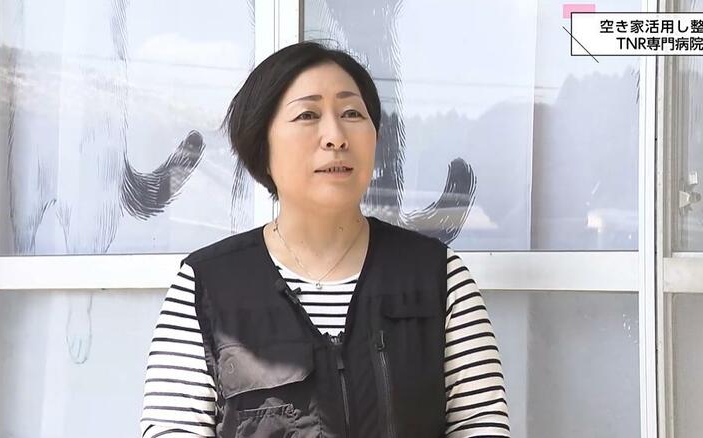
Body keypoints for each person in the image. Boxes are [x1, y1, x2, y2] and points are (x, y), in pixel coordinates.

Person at [140, 41, 509, 438]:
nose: (335, 136)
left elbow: (481, 424)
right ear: (262, 145)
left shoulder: (439, 277)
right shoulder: (204, 285)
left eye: (352, 113)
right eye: (308, 115)